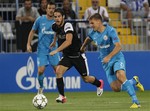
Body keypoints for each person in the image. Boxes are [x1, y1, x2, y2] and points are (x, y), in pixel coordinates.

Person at [80, 13, 144, 108]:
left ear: (99, 21)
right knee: (116, 88)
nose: (91, 25)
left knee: (120, 76)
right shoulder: (93, 33)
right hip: (106, 62)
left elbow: (119, 46)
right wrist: (83, 47)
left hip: (116, 57)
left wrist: (109, 57)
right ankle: (134, 81)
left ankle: (136, 102)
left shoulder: (110, 31)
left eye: (92, 23)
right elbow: (88, 39)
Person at [50, 8, 104, 103]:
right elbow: (57, 32)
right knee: (58, 71)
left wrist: (56, 50)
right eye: (55, 17)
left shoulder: (68, 25)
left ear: (63, 17)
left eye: (59, 16)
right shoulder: (55, 26)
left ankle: (99, 83)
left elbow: (68, 41)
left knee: (86, 79)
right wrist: (54, 42)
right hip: (67, 56)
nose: (57, 18)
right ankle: (62, 96)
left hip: (78, 55)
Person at [27, 2, 59, 94]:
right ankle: (41, 87)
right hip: (42, 49)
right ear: (46, 9)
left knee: (58, 71)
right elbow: (32, 32)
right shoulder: (40, 20)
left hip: (53, 49)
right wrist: (28, 44)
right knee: (41, 71)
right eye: (49, 8)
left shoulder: (57, 21)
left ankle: (61, 93)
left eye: (53, 8)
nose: (51, 10)